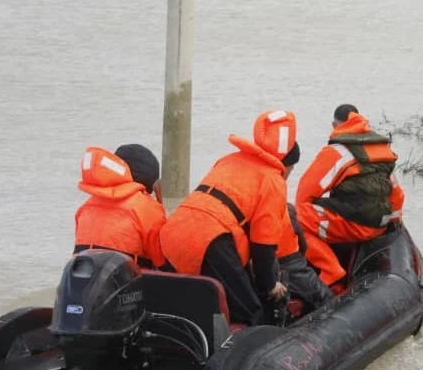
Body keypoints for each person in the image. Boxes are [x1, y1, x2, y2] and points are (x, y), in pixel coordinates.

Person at [159, 110, 297, 326]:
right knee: (251, 313)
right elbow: (264, 245)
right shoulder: (273, 180)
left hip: (173, 230)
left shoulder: (230, 160)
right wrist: (270, 285)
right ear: (287, 165)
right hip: (212, 241)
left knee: (184, 304)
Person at [295, 104, 405, 290]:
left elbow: (304, 195)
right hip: (379, 227)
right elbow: (396, 193)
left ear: (334, 125)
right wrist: (392, 225)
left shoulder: (337, 152)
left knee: (292, 217)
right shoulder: (381, 150)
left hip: (354, 225)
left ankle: (331, 270)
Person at [73, 144, 167, 268]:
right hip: (127, 284)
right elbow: (162, 261)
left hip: (82, 281)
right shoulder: (149, 209)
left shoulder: (86, 207)